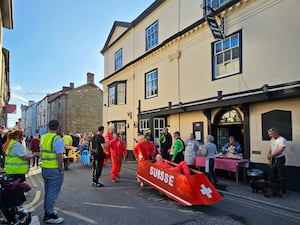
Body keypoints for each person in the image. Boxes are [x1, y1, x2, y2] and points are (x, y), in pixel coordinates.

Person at [40, 120, 65, 224]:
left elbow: (42, 151)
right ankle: (49, 215)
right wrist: (61, 169)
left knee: (48, 192)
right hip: (54, 169)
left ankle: (47, 211)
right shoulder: (57, 139)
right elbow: (59, 156)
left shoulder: (43, 137)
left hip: (45, 168)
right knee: (53, 193)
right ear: (58, 127)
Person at [267, 127, 287, 194]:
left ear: (276, 133)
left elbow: (280, 150)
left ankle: (282, 190)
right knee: (272, 174)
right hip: (273, 159)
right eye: (269, 134)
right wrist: (269, 156)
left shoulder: (282, 140)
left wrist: (271, 155)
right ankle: (274, 189)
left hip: (280, 159)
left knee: (280, 175)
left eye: (271, 134)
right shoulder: (272, 139)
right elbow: (270, 148)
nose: (270, 136)